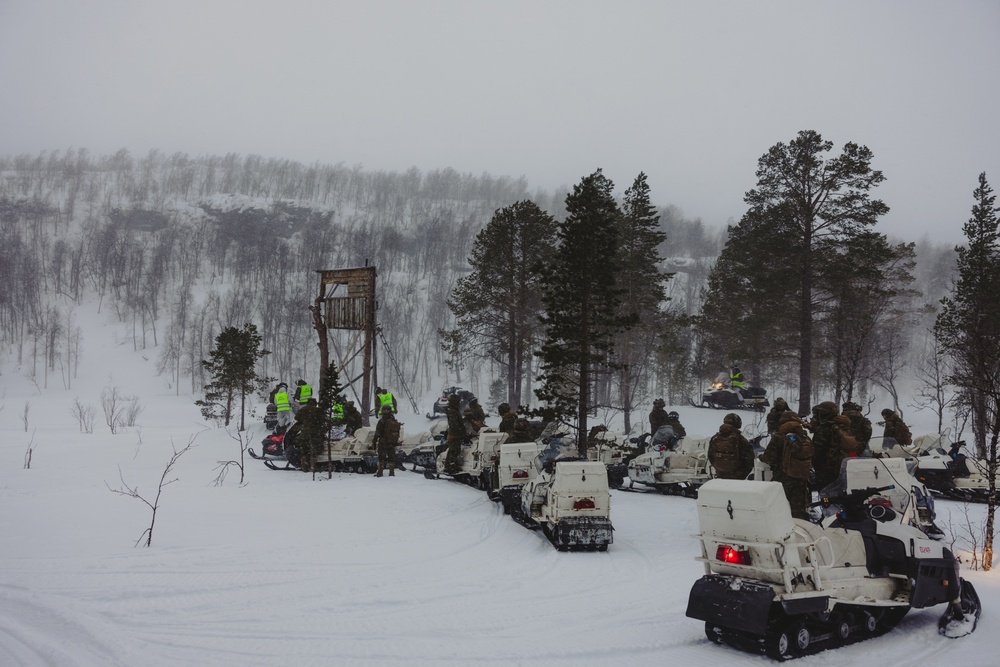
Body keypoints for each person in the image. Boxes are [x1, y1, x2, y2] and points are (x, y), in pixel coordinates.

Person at [761, 411, 813, 520]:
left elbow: (769, 457)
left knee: (777, 504)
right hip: (801, 477)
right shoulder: (803, 436)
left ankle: (780, 528)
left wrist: (762, 457)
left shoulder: (780, 436)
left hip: (783, 476)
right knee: (798, 508)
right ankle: (800, 528)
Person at [810, 401, 857, 491]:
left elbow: (817, 451)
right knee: (840, 492)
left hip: (826, 468)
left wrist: (814, 464)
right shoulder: (844, 425)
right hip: (843, 465)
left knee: (826, 494)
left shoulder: (824, 428)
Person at [708, 413, 754, 480]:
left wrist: (720, 469)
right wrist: (742, 473)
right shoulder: (740, 440)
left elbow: (710, 456)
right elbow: (749, 460)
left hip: (720, 474)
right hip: (737, 476)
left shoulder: (715, 438)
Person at [292, 397, 324, 471]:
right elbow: (322, 421)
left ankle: (305, 467)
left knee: (304, 451)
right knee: (314, 452)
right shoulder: (317, 411)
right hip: (315, 434)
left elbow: (297, 418)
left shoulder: (303, 409)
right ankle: (313, 467)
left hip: (305, 433)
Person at [373, 405, 400, 477]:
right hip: (391, 443)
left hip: (383, 442)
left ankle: (380, 472)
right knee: (391, 457)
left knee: (381, 457)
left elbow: (377, 433)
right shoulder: (394, 420)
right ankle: (391, 472)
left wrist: (374, 442)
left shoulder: (381, 421)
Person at [443, 394, 465, 474]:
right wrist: (459, 432)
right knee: (454, 450)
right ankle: (451, 466)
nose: (459, 403)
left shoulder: (452, 410)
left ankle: (449, 466)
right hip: (455, 434)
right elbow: (454, 424)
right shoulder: (452, 411)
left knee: (454, 450)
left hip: (455, 433)